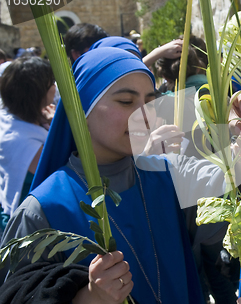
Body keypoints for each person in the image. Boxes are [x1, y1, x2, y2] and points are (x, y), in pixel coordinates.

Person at [0, 48, 202, 304]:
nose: (145, 116)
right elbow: (16, 294)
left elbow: (222, 229)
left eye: (150, 102)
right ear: (81, 111)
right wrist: (88, 298)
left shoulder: (169, 176)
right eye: (127, 102)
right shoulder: (43, 210)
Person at [0, 57, 56, 233]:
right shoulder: (26, 143)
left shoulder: (10, 119)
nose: (55, 86)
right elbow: (59, 171)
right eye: (51, 82)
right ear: (38, 93)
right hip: (26, 228)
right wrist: (57, 125)